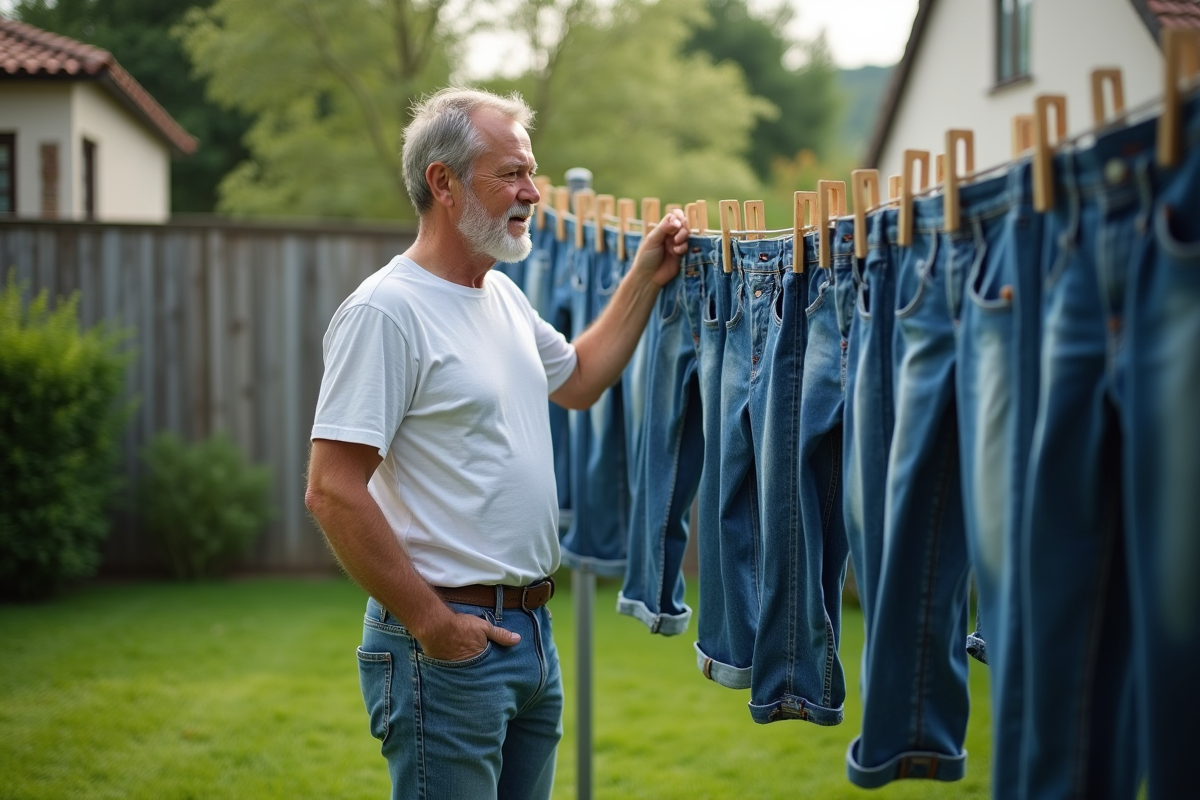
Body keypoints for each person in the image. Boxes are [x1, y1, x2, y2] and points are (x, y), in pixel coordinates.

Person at [304, 86, 688, 800]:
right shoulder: (386, 312)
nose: (533, 193)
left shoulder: (501, 296)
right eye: (511, 173)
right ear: (442, 183)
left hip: (530, 638)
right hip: (447, 648)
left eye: (531, 172)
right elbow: (331, 489)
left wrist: (642, 278)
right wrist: (433, 625)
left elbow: (578, 379)